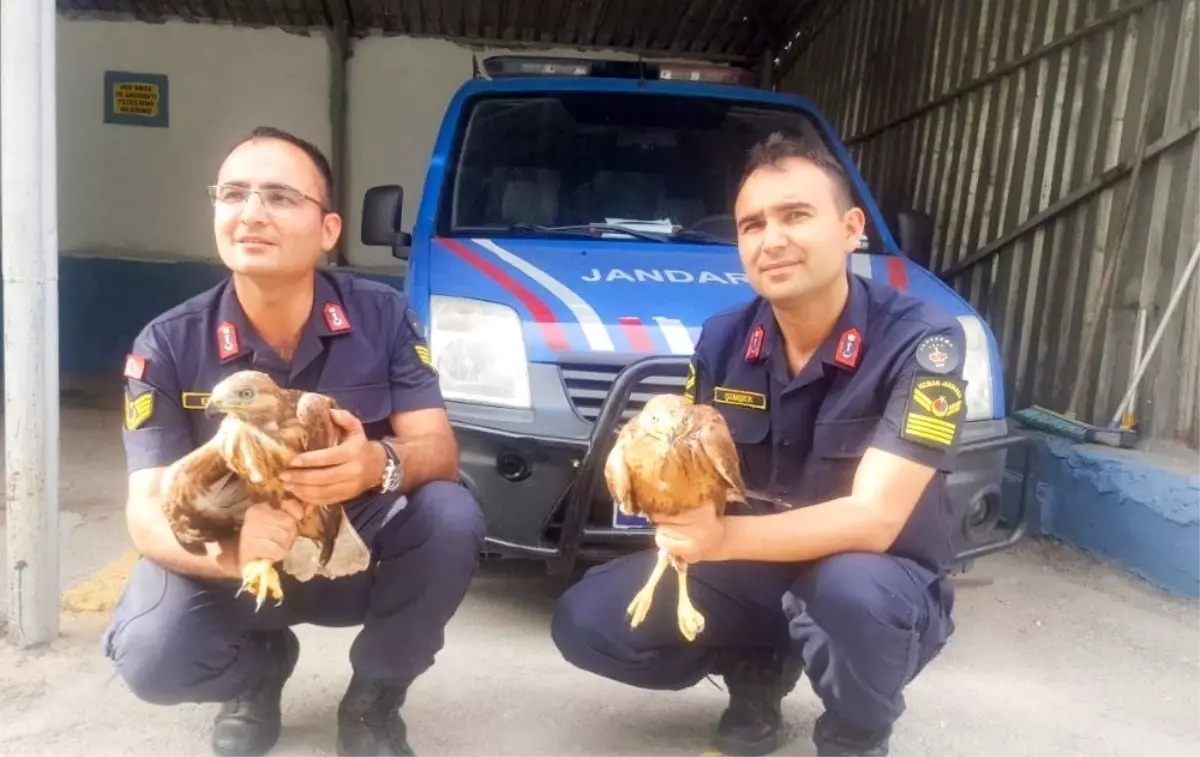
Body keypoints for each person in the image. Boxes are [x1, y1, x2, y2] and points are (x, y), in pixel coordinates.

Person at [550, 133, 966, 757]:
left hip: (877, 578)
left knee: (849, 595)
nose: (771, 240)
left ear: (852, 228)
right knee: (588, 620)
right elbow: (696, 469)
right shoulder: (723, 340)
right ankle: (757, 672)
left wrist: (720, 540)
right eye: (752, 225)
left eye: (796, 215)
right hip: (754, 569)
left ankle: (856, 732)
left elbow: (875, 520)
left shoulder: (923, 342)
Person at [102, 126, 486, 757]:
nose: (251, 213)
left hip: (346, 542)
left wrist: (377, 465)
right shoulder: (167, 344)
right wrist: (236, 557)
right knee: (152, 657)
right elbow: (146, 513)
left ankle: (374, 701)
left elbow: (438, 451)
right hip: (236, 553)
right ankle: (257, 672)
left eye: (280, 197)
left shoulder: (381, 315)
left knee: (450, 513)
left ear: (328, 229)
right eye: (233, 194)